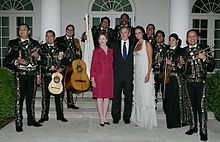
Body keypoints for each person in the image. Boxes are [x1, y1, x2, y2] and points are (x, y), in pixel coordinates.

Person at [4, 23, 42, 132]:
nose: (22, 31)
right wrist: (17, 61)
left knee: (31, 99)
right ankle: (18, 122)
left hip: (33, 75)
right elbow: (6, 61)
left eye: (24, 29)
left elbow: (42, 61)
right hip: (19, 75)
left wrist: (37, 56)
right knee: (18, 100)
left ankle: (31, 120)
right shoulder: (13, 43)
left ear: (28, 31)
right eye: (20, 29)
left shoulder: (35, 43)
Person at [181, 30, 214, 141]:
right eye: (189, 37)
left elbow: (212, 66)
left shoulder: (205, 49)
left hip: (201, 82)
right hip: (188, 82)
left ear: (197, 38)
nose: (192, 38)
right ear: (186, 39)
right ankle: (193, 127)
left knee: (202, 107)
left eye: (194, 36)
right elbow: (181, 69)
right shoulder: (183, 51)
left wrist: (204, 58)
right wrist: (180, 64)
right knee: (191, 106)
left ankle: (203, 131)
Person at [38, 30, 68, 123]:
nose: (48, 38)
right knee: (45, 97)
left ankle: (60, 115)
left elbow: (66, 60)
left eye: (51, 36)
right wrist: (40, 74)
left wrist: (61, 68)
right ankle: (44, 116)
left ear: (54, 38)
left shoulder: (60, 48)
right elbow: (38, 63)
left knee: (59, 96)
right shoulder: (41, 49)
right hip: (46, 76)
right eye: (47, 36)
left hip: (58, 76)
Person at [163, 33, 192, 128]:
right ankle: (170, 122)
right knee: (168, 100)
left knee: (176, 101)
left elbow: (183, 66)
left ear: (177, 41)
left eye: (173, 40)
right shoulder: (166, 51)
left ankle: (177, 122)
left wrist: (173, 63)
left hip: (177, 79)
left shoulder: (181, 51)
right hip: (167, 79)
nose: (171, 42)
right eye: (170, 40)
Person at [131, 26, 157, 128]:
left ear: (143, 33)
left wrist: (147, 74)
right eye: (136, 33)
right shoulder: (137, 44)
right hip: (137, 73)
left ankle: (145, 120)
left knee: (145, 96)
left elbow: (151, 60)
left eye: (139, 33)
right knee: (138, 95)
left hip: (145, 72)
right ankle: (139, 118)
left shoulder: (147, 43)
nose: (137, 35)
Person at [111, 26, 134, 124]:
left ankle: (127, 117)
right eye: (122, 32)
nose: (123, 34)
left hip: (129, 75)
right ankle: (116, 117)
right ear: (119, 34)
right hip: (117, 75)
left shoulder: (134, 46)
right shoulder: (113, 45)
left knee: (128, 97)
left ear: (129, 34)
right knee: (116, 96)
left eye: (125, 32)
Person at [56, 24, 82, 109]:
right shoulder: (59, 40)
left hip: (72, 66)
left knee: (70, 84)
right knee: (61, 83)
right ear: (66, 30)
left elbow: (79, 55)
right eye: (68, 29)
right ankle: (59, 103)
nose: (69, 31)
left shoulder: (76, 41)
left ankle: (70, 103)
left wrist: (79, 54)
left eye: (71, 30)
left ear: (73, 32)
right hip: (62, 65)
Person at [90, 32, 113, 127]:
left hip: (109, 77)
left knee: (107, 98)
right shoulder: (96, 50)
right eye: (100, 39)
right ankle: (101, 118)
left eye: (103, 38)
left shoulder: (111, 50)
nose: (101, 40)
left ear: (107, 39)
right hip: (99, 77)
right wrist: (92, 78)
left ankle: (105, 117)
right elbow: (93, 65)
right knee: (99, 98)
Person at [152, 30, 169, 106]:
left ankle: (166, 106)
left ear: (164, 38)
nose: (159, 37)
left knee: (165, 91)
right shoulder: (151, 47)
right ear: (155, 38)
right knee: (153, 91)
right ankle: (153, 105)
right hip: (154, 72)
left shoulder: (168, 48)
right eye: (157, 36)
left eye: (161, 36)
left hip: (164, 73)